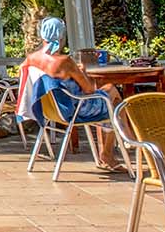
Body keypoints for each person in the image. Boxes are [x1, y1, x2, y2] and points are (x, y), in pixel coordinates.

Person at [20, 16, 125, 171]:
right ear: (62, 36)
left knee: (110, 99)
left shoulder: (31, 59)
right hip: (73, 109)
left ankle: (116, 147)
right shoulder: (65, 61)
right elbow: (89, 89)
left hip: (49, 110)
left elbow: (24, 75)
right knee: (113, 95)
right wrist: (82, 72)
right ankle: (111, 151)